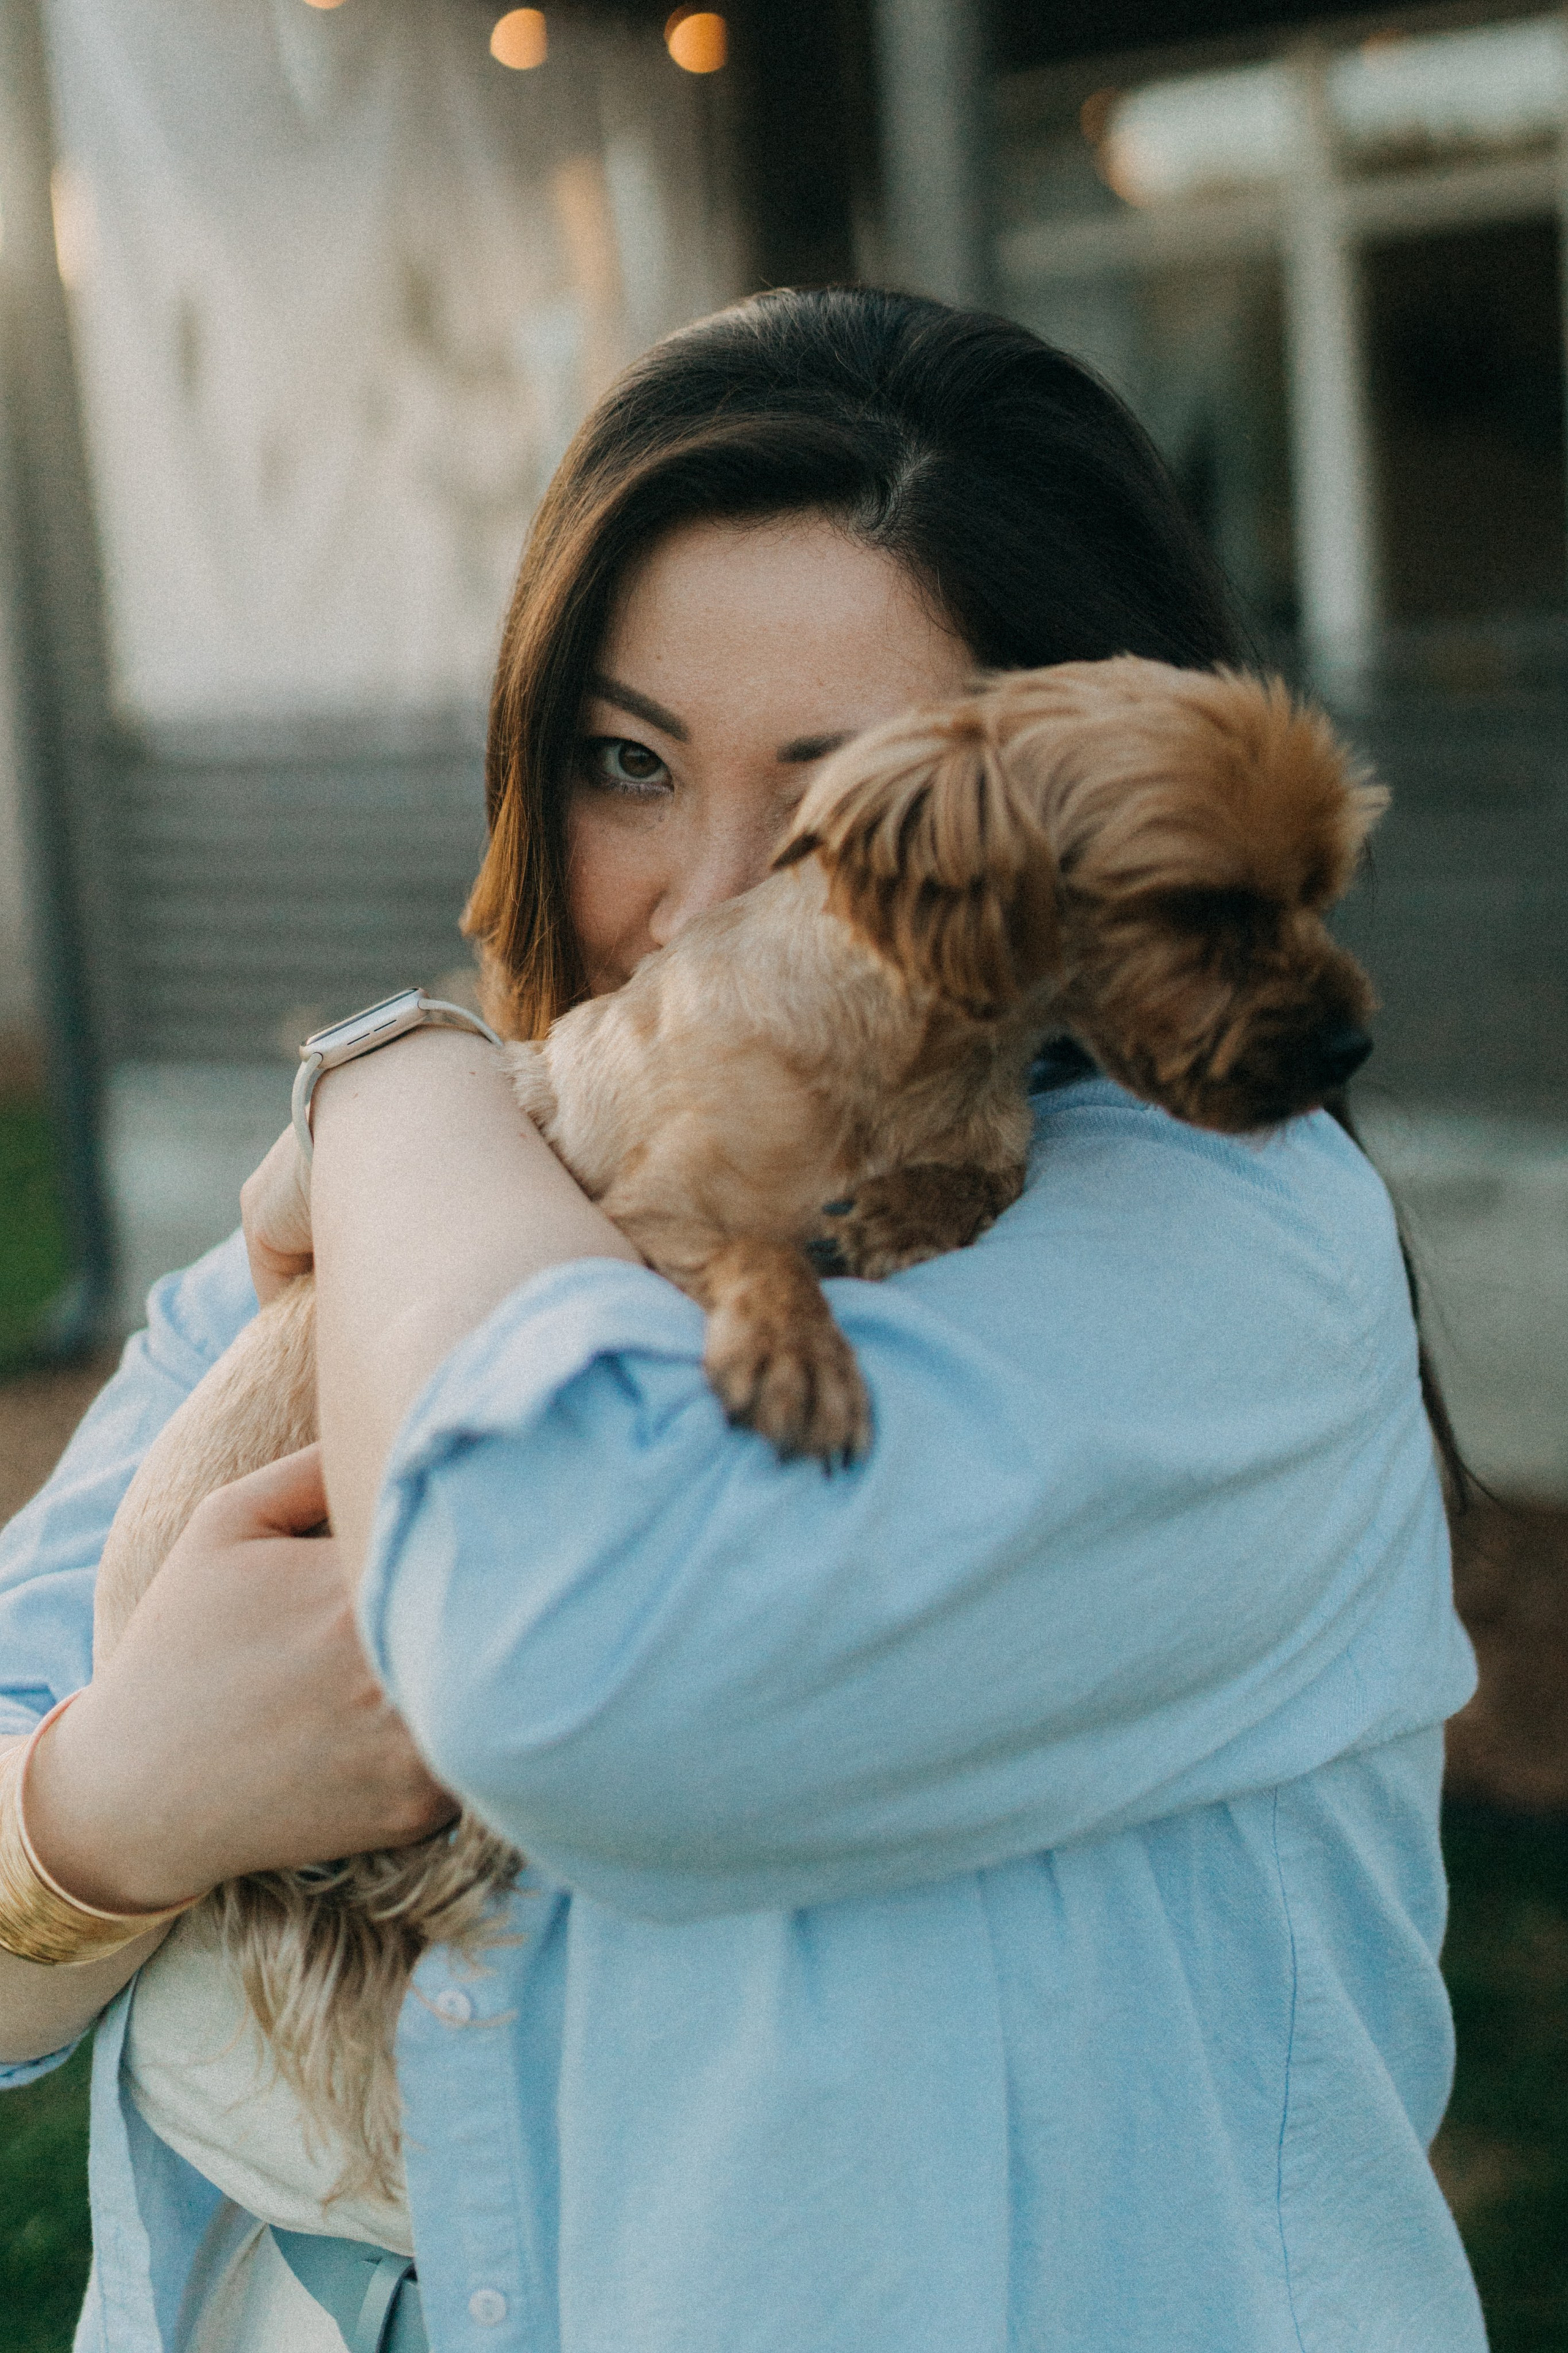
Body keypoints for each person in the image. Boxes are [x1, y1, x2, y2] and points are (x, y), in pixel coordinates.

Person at [0, 288, 1485, 2352]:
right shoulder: (462, 1204)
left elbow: (562, 1641)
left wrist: (390, 1085)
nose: (703, 902)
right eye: (624, 761)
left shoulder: (1230, 1264)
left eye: (843, 801)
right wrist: (111, 1799)